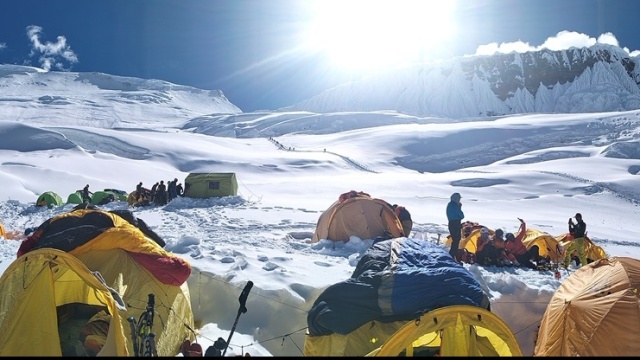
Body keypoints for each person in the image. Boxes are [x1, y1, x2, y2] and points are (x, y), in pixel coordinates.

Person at [446, 192, 464, 261]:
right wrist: (459, 207)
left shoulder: (449, 204)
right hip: (456, 224)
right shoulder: (455, 206)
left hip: (451, 223)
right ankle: (452, 256)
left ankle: (453, 256)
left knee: (455, 240)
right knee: (456, 240)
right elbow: (461, 215)